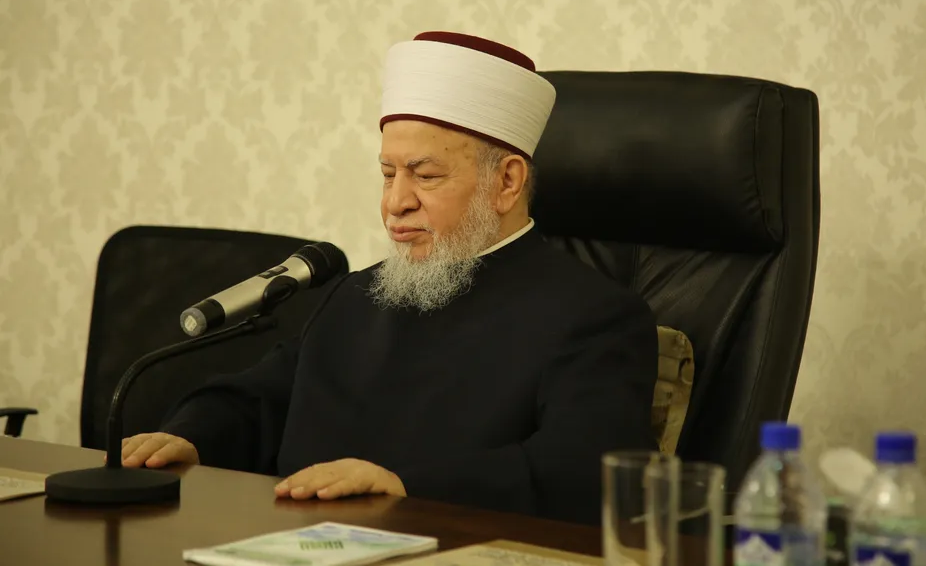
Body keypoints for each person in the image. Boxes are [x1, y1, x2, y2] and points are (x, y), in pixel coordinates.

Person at [118, 31, 658, 524]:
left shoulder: (593, 317)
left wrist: (407, 489)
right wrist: (189, 437)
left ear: (507, 183)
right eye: (387, 174)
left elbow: (583, 472)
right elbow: (259, 399)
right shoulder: (356, 293)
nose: (396, 202)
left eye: (426, 175)